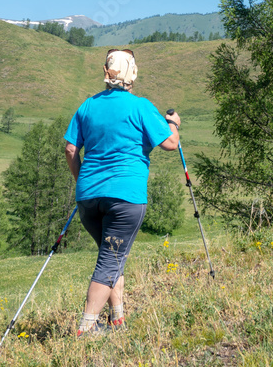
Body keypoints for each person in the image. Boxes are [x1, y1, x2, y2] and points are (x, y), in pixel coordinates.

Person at [64, 48, 180, 336]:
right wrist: (174, 124)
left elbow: (70, 149)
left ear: (106, 71)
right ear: (132, 74)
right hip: (125, 198)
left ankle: (117, 319)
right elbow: (170, 144)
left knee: (112, 257)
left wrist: (83, 182)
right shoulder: (140, 106)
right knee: (110, 261)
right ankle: (86, 329)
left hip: (88, 198)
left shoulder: (87, 106)